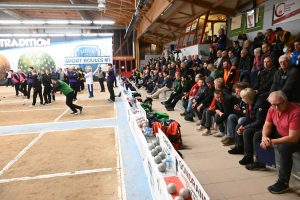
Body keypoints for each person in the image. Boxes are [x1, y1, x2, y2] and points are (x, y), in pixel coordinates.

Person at [246, 91, 300, 194]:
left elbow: (293, 138)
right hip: (282, 133)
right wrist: (264, 137)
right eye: (273, 104)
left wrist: (271, 141)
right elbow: (267, 125)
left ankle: (283, 182)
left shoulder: (296, 111)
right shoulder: (272, 109)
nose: (276, 107)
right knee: (258, 135)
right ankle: (262, 162)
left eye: (279, 104)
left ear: (286, 101)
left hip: (296, 138)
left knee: (284, 148)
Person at [228, 88, 269, 163]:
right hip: (254, 122)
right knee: (238, 126)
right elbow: (247, 117)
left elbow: (260, 122)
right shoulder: (249, 103)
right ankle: (239, 147)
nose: (242, 99)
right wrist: (242, 125)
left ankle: (249, 157)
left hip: (262, 126)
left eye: (243, 98)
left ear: (248, 99)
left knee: (247, 131)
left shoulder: (260, 104)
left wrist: (245, 127)